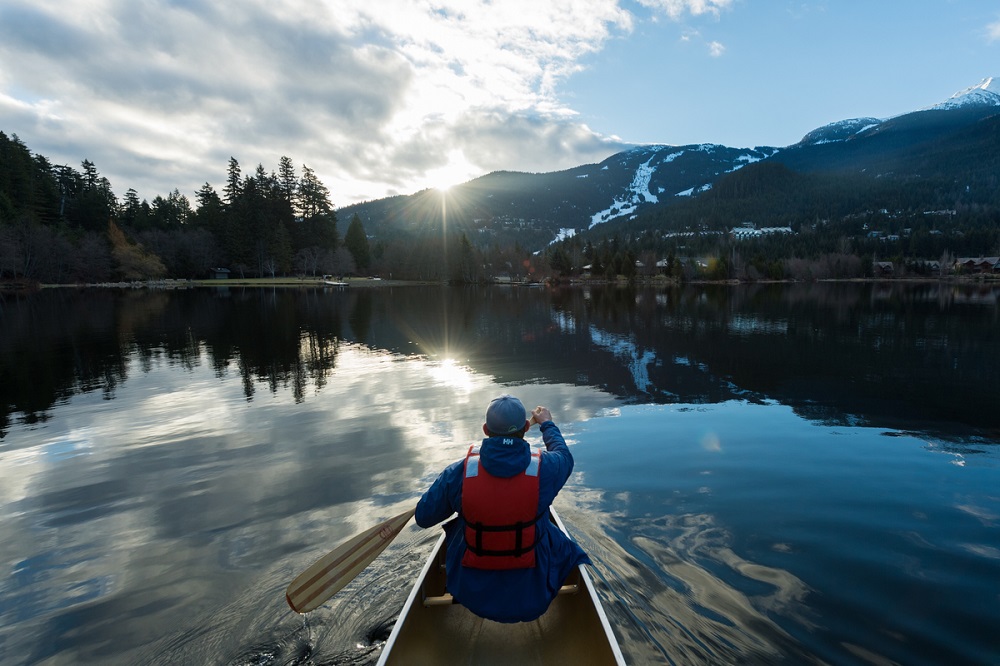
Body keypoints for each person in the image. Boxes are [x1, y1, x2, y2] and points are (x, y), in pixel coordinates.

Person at [415, 394, 590, 623]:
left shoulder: (457, 473)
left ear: (486, 430)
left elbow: (423, 517)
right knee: (556, 536)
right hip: (534, 596)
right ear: (526, 427)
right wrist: (547, 423)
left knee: (459, 524)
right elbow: (564, 456)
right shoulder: (548, 468)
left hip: (470, 594)